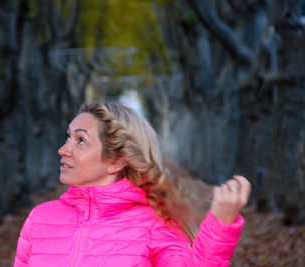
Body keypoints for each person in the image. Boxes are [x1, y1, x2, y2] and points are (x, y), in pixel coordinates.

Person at [14, 102, 251, 267]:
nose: (63, 150)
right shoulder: (40, 218)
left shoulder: (157, 224)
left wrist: (220, 227)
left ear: (116, 161)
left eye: (81, 140)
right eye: (68, 137)